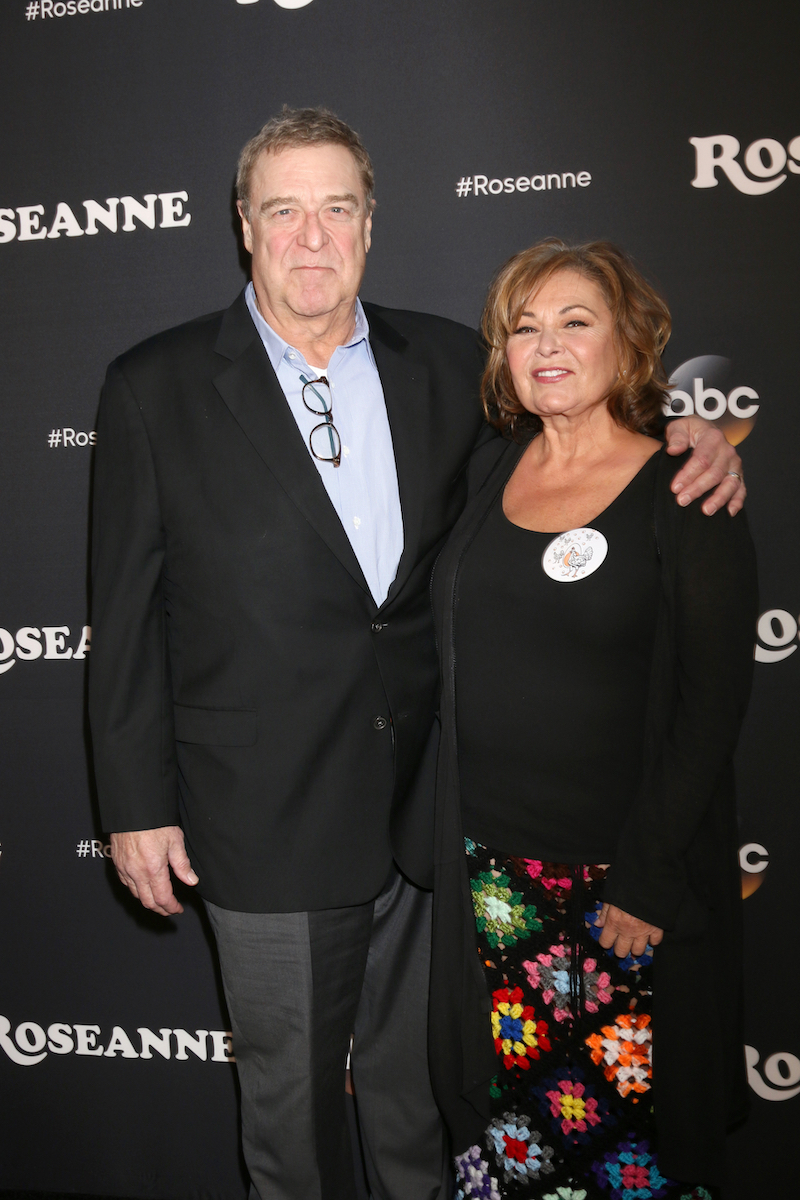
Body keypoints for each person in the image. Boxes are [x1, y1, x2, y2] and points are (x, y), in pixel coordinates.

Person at [88, 108, 745, 1200]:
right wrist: (131, 805)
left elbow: (578, 430)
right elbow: (123, 614)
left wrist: (688, 429)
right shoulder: (152, 386)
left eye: (335, 208)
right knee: (290, 1128)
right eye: (283, 210)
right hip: (261, 819)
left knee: (423, 1109)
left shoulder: (446, 364)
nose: (311, 236)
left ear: (369, 224)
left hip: (431, 830)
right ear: (242, 227)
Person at [428, 239, 757, 1200]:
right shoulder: (486, 473)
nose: (548, 344)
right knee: (514, 1136)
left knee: (628, 1148)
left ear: (632, 342)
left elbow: (712, 704)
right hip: (491, 883)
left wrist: (649, 876)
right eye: (524, 327)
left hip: (624, 893)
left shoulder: (686, 487)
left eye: (577, 321)